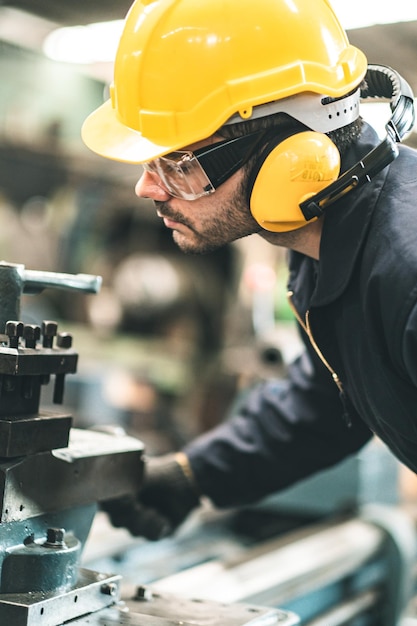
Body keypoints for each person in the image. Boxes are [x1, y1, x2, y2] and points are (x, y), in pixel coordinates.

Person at [81, 0, 417, 540]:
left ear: (293, 160)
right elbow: (330, 401)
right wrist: (194, 476)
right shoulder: (319, 240)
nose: (147, 188)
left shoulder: (407, 272)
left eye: (181, 165)